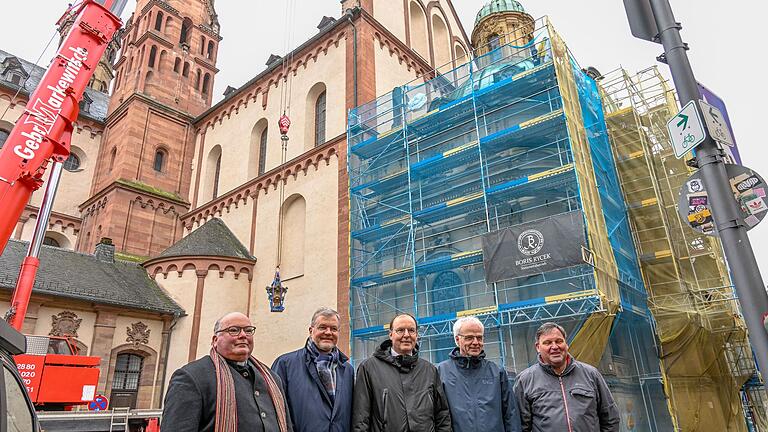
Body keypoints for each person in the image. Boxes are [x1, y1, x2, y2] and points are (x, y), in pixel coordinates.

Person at [161, 312, 293, 432]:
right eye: (234, 330)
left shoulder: (272, 378)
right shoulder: (191, 377)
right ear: (215, 340)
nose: (243, 335)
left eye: (248, 330)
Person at [351, 313, 451, 432]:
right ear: (390, 334)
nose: (406, 335)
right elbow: (361, 418)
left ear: (417, 335)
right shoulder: (368, 368)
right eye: (400, 330)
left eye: (411, 330)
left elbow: (442, 415)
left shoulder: (429, 370)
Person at [513, 322, 620, 432]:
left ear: (566, 344)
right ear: (538, 347)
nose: (554, 347)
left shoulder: (591, 374)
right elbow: (520, 426)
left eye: (559, 341)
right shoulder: (525, 380)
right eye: (547, 343)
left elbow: (610, 418)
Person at [272, 307, 354, 432]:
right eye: (322, 327)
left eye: (333, 329)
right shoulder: (285, 364)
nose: (328, 332)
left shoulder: (347, 370)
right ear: (311, 330)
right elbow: (274, 411)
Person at [437, 316, 522, 432]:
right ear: (457, 340)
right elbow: (438, 416)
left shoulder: (497, 372)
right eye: (469, 338)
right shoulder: (441, 372)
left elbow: (511, 415)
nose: (476, 342)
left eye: (479, 337)